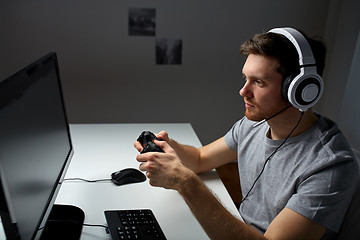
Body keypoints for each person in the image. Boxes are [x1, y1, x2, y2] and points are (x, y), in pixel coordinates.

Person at [134, 27, 359, 240]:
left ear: (300, 90)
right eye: (245, 78)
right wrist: (166, 145)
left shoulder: (330, 167)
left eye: (259, 82)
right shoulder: (255, 124)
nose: (243, 91)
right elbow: (201, 159)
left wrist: (185, 182)